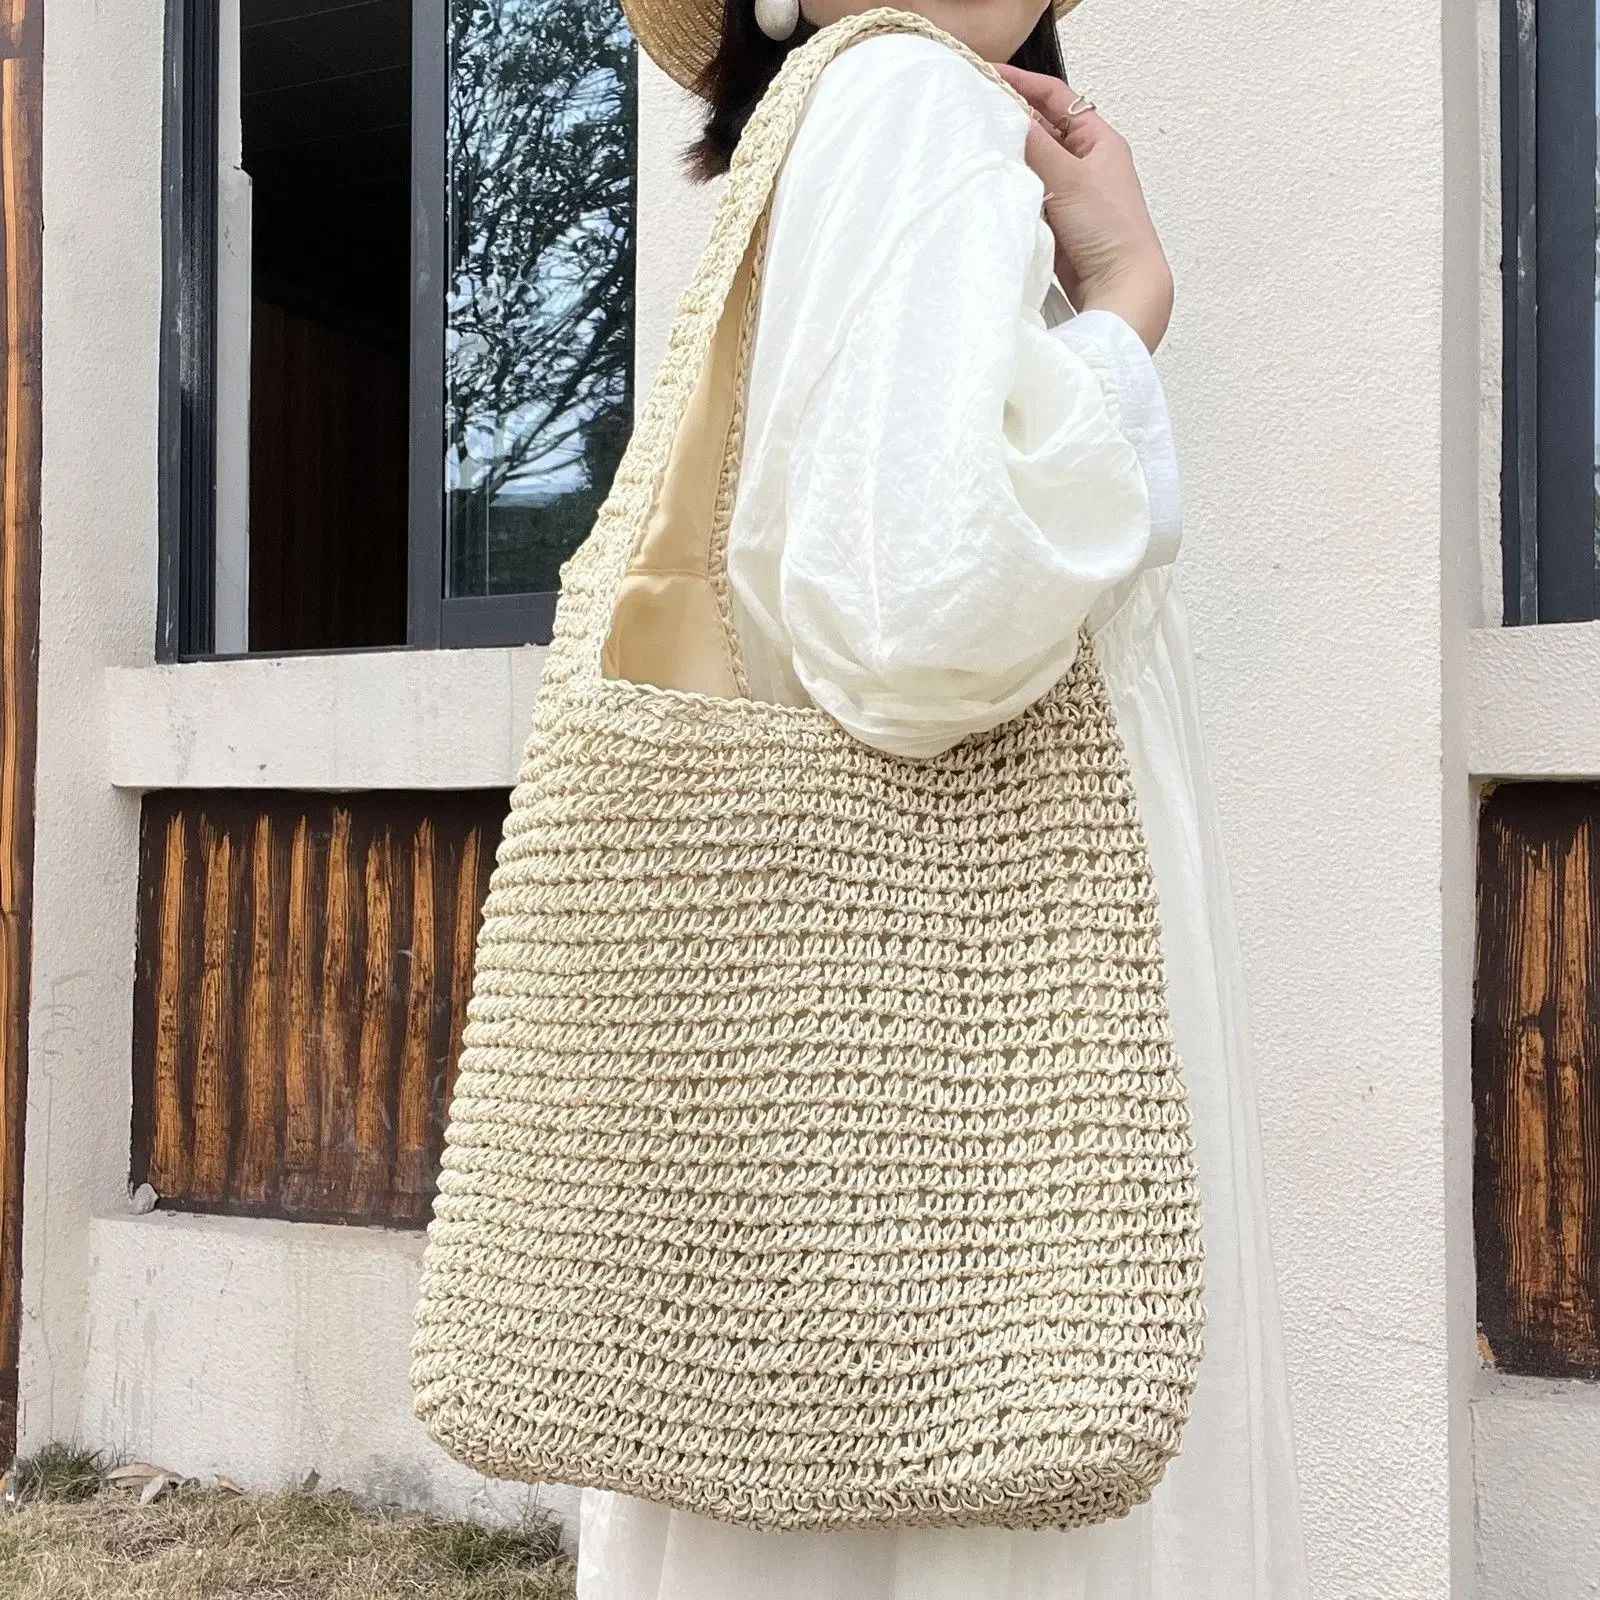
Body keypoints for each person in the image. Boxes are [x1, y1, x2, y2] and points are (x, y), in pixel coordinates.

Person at [576, 1, 1311, 1593]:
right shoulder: (907, 98)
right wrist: (1127, 294)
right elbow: (924, 613)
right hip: (968, 1104)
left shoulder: (839, 121)